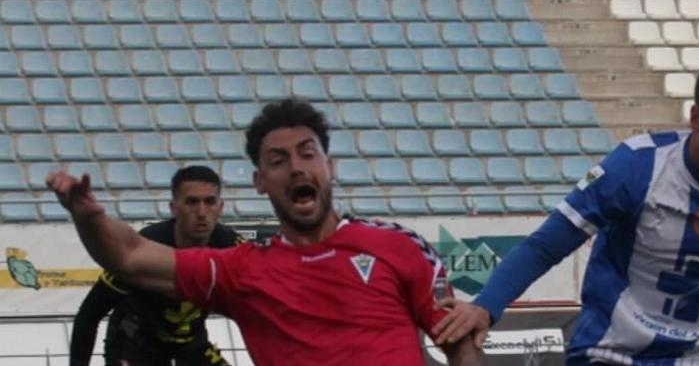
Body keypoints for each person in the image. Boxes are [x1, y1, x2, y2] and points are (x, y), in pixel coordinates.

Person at [432, 45, 699, 365]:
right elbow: (545, 245)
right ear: (696, 117)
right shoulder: (635, 169)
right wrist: (487, 305)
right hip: (614, 356)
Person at [49, 98, 483, 366]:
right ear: (260, 182)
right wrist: (88, 216)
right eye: (277, 160)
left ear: (328, 168)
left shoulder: (398, 247)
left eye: (306, 154)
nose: (295, 166)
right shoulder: (242, 270)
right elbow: (127, 257)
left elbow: (459, 347)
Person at [70, 165, 242, 366]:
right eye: (191, 202)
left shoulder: (232, 246)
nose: (202, 212)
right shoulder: (145, 247)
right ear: (173, 208)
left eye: (210, 202)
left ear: (221, 207)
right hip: (134, 345)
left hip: (192, 345)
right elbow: (89, 314)